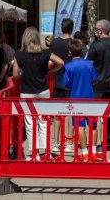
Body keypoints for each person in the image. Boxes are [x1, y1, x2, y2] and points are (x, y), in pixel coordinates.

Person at [13, 27, 64, 161]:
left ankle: (34, 153)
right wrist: (50, 71)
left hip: (27, 92)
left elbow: (15, 75)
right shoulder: (45, 52)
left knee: (30, 123)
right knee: (44, 121)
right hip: (43, 91)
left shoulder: (19, 54)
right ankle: (46, 152)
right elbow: (61, 62)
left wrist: (23, 72)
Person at [62, 40, 99, 162]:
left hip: (76, 100)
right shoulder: (89, 64)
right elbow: (94, 80)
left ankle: (84, 152)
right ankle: (93, 150)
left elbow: (65, 85)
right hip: (90, 98)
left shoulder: (67, 66)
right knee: (93, 125)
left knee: (80, 126)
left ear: (70, 52)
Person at [86, 19, 110, 153]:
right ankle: (108, 141)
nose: (94, 31)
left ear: (100, 31)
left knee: (96, 116)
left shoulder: (95, 45)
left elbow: (89, 65)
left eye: (96, 29)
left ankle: (96, 143)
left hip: (97, 85)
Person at [49, 18, 73, 152]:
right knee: (70, 112)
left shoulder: (54, 43)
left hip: (57, 80)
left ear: (61, 27)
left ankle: (55, 142)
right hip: (70, 81)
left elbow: (50, 61)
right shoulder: (74, 43)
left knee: (57, 112)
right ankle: (69, 142)